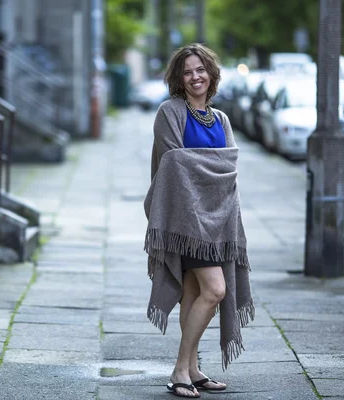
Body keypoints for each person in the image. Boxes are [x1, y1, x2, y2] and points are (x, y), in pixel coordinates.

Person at [143, 43, 255, 398]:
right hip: (185, 221)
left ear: (212, 74)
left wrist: (206, 165)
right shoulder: (169, 112)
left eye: (201, 70)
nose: (196, 77)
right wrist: (210, 165)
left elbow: (230, 166)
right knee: (216, 290)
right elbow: (175, 165)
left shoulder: (220, 119)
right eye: (188, 71)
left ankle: (191, 369)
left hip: (218, 222)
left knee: (193, 294)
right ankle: (179, 369)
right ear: (179, 78)